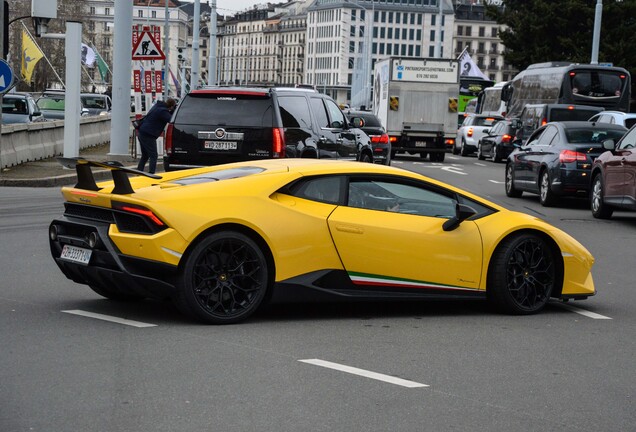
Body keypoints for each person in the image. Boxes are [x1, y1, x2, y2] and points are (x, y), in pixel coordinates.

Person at [137, 98, 177, 174]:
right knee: (154, 155)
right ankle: (151, 173)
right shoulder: (163, 111)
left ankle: (139, 172)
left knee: (145, 155)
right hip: (148, 135)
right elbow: (171, 120)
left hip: (142, 132)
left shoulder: (157, 106)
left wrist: (171, 110)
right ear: (171, 106)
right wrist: (173, 111)